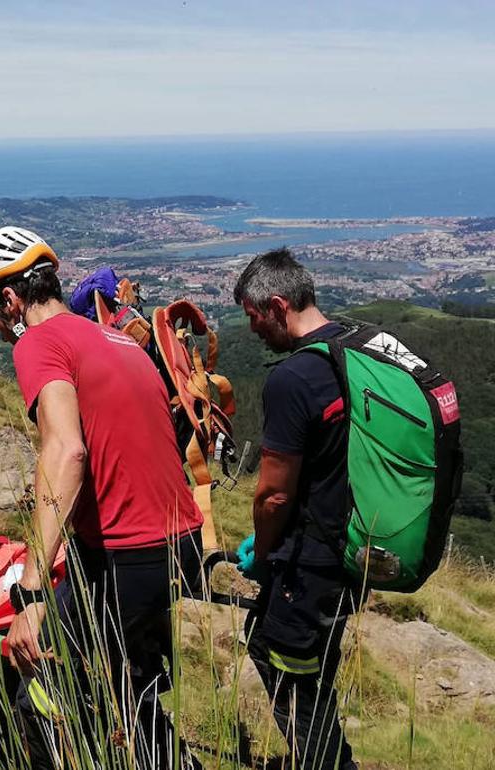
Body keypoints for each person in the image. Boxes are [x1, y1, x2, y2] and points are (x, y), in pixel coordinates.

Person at [0, 227, 204, 770]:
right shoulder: (118, 338)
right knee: (131, 691)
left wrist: (30, 595)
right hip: (179, 545)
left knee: (40, 692)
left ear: (10, 299)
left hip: (127, 555)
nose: (2, 334)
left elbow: (67, 451)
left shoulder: (39, 342)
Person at [233, 248, 362, 770]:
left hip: (309, 563)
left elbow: (274, 494)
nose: (253, 330)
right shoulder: (354, 351)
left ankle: (330, 764)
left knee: (283, 662)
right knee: (306, 663)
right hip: (352, 547)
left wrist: (262, 554)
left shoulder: (293, 379)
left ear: (278, 305)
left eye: (254, 316)